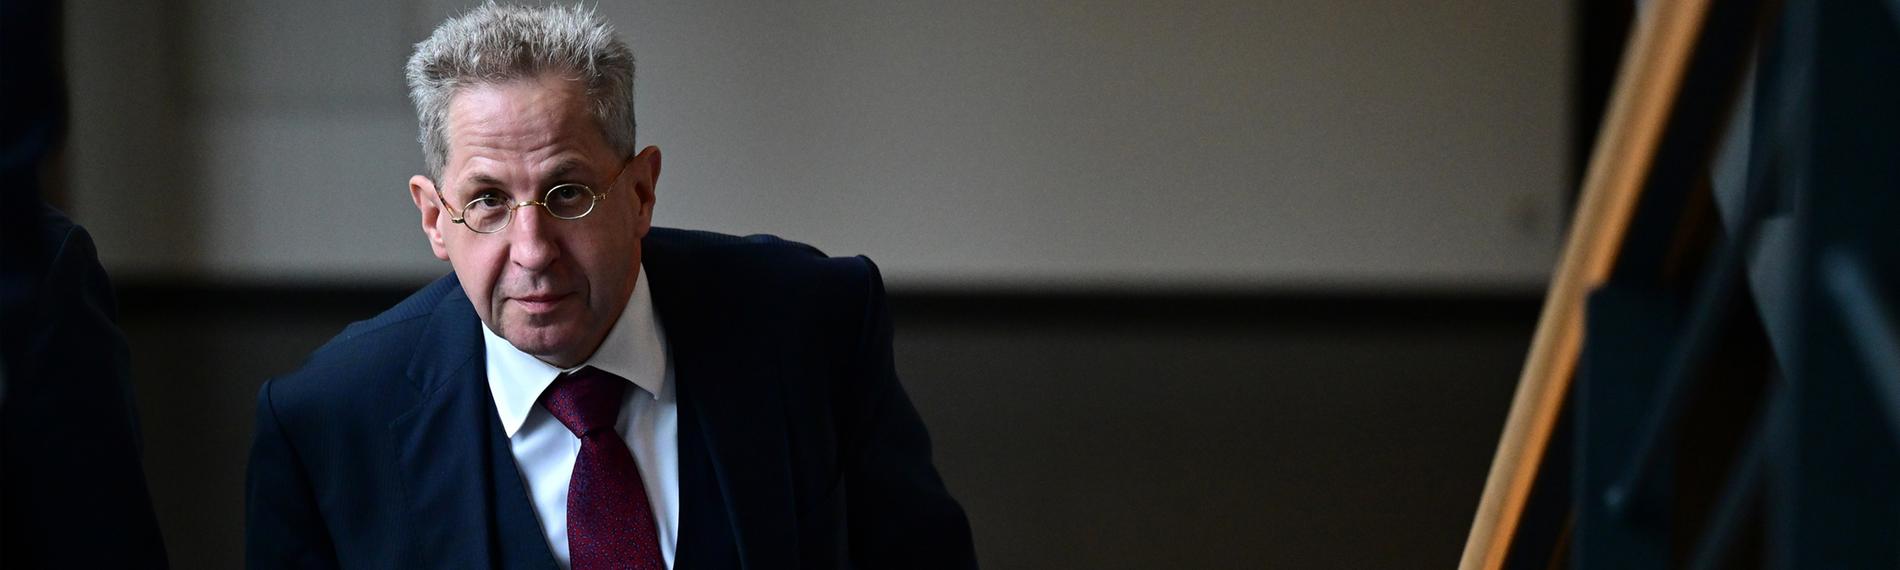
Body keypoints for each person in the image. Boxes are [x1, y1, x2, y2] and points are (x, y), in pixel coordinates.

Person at [244, 4, 975, 568]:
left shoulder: (815, 325)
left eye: (567, 193)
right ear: (435, 218)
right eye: (488, 201)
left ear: (641, 192)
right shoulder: (327, 422)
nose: (533, 252)